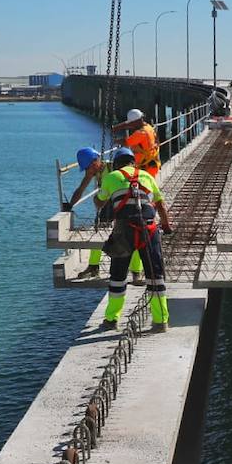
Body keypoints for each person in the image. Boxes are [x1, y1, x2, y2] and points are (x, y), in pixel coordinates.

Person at [96, 147, 173, 331]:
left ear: (116, 164)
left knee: (118, 277)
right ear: (133, 162)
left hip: (124, 230)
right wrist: (167, 226)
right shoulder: (146, 176)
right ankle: (161, 321)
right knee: (156, 277)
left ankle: (111, 320)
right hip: (149, 229)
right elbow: (160, 204)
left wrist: (103, 193)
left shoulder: (111, 176)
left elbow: (99, 202)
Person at [68, 146, 144, 282]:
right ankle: (93, 267)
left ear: (94, 162)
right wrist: (69, 205)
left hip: (125, 204)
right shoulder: (92, 172)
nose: (87, 172)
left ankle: (136, 272)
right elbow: (80, 189)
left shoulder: (114, 167)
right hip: (108, 204)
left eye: (87, 168)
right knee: (98, 234)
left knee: (134, 235)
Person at [113, 109, 161, 178]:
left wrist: (115, 141)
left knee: (144, 187)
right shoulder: (148, 127)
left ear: (136, 122)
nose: (131, 124)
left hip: (146, 167)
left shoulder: (140, 133)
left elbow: (126, 142)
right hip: (152, 164)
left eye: (132, 123)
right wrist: (116, 127)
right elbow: (129, 124)